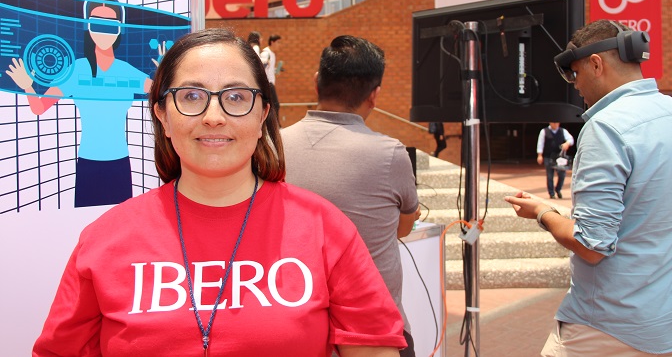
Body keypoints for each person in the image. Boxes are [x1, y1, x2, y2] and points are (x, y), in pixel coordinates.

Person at [33, 29, 407, 357]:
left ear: (263, 115)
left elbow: (373, 347)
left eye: (237, 97)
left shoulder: (324, 228)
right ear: (162, 115)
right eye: (192, 96)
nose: (214, 116)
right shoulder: (105, 239)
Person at [504, 20, 672, 356]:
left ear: (596, 64)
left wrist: (543, 213)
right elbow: (644, 209)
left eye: (575, 73)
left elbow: (591, 245)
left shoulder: (606, 127)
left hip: (610, 326)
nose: (575, 85)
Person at [281, 35, 421, 357]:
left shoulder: (274, 145)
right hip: (375, 331)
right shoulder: (389, 153)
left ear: (317, 82)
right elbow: (403, 228)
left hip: (298, 327)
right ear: (374, 95)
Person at [6, 0, 162, 208]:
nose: (104, 32)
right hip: (89, 163)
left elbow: (162, 95)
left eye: (111, 25)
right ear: (88, 26)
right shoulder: (76, 70)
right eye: (97, 23)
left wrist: (165, 71)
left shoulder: (127, 71)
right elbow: (39, 107)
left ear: (120, 29)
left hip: (119, 163)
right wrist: (27, 85)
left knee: (122, 221)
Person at [535, 122, 574, 199]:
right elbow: (540, 143)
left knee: (562, 174)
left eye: (557, 123)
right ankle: (551, 193)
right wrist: (539, 155)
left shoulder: (562, 131)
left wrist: (567, 143)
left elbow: (571, 139)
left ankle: (558, 189)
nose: (555, 124)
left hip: (559, 157)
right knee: (550, 175)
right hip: (548, 156)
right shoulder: (544, 131)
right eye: (554, 123)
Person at [260, 34, 281, 123]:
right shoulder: (266, 53)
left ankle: (274, 124)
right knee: (275, 105)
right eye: (278, 42)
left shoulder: (273, 54)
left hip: (271, 83)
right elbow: (261, 66)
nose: (279, 45)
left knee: (272, 106)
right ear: (272, 42)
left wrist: (276, 70)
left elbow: (269, 68)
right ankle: (276, 125)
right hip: (268, 83)